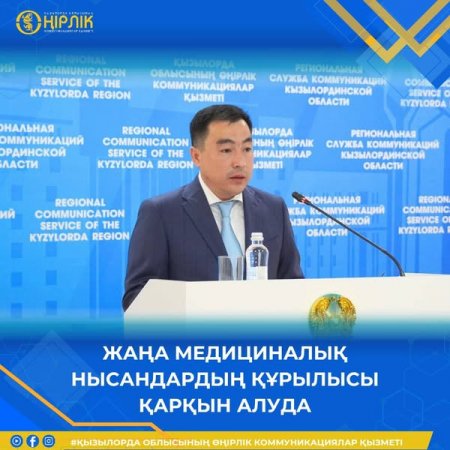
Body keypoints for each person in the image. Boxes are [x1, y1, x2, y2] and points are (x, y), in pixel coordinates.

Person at [122, 104, 303, 311]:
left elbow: (294, 286)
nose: (240, 162)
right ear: (196, 156)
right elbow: (137, 298)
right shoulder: (161, 213)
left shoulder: (273, 209)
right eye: (226, 150)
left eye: (247, 149)